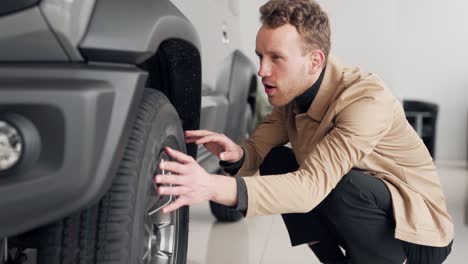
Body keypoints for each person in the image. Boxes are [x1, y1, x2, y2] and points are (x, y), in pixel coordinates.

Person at [153, 0, 454, 263]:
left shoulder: (366, 100)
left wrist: (209, 186)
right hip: (369, 211)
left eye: (276, 58)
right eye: (260, 56)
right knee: (276, 161)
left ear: (315, 61)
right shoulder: (294, 93)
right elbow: (259, 146)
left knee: (340, 183)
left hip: (418, 231)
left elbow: (311, 187)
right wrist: (237, 154)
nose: (262, 71)